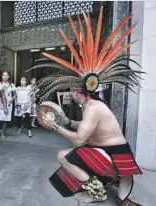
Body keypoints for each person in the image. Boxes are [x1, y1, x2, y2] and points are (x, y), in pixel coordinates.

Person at [33, 7, 144, 206]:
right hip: (113, 153)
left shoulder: (93, 108)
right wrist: (67, 121)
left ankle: (97, 191)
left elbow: (78, 139)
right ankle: (104, 181)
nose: (70, 93)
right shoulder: (92, 104)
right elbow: (84, 128)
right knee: (83, 151)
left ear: (78, 92)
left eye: (72, 91)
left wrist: (56, 127)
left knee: (63, 155)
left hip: (113, 158)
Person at [0, 71, 16, 138]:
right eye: (3, 75)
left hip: (8, 104)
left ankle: (3, 133)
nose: (5, 77)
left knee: (5, 119)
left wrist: (11, 100)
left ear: (9, 77)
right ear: (1, 76)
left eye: (6, 75)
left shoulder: (11, 85)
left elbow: (15, 95)